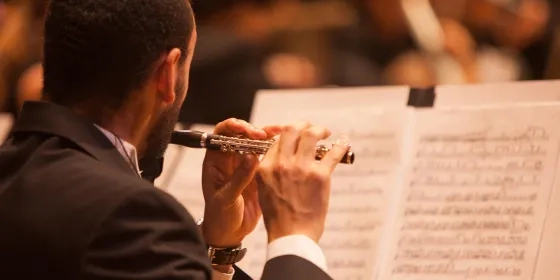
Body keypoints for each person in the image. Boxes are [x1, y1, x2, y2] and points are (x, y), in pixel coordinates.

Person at [0, 0, 350, 279]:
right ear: (168, 74)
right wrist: (294, 234)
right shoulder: (129, 213)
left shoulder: (14, 167)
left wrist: (216, 244)